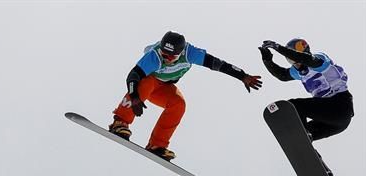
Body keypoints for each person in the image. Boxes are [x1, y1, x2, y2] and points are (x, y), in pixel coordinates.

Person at [108, 31, 263, 161]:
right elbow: (133, 76)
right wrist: (135, 97)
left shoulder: (191, 53)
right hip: (147, 84)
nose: (166, 59)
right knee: (146, 82)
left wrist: (243, 76)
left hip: (164, 88)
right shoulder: (155, 56)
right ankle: (119, 122)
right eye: (164, 54)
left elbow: (219, 64)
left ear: (180, 53)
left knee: (178, 104)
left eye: (171, 57)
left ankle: (157, 144)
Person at [258, 38, 353, 176]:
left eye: (294, 57)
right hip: (335, 122)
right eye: (290, 61)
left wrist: (278, 47)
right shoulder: (299, 72)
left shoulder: (320, 61)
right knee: (302, 134)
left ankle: (305, 135)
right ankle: (323, 170)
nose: (294, 63)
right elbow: (282, 75)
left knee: (293, 107)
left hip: (339, 106)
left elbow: (307, 60)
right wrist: (267, 60)